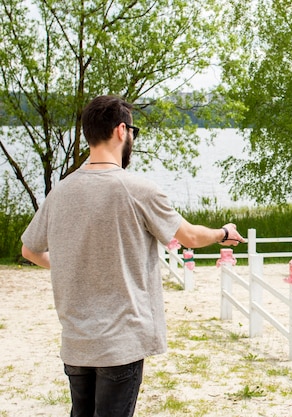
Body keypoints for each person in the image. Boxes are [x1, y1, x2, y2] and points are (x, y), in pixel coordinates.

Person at [20, 95, 246, 417]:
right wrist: (224, 233)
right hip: (120, 345)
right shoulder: (138, 189)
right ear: (122, 131)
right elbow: (191, 237)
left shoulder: (61, 192)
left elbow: (30, 249)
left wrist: (72, 262)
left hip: (76, 344)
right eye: (133, 132)